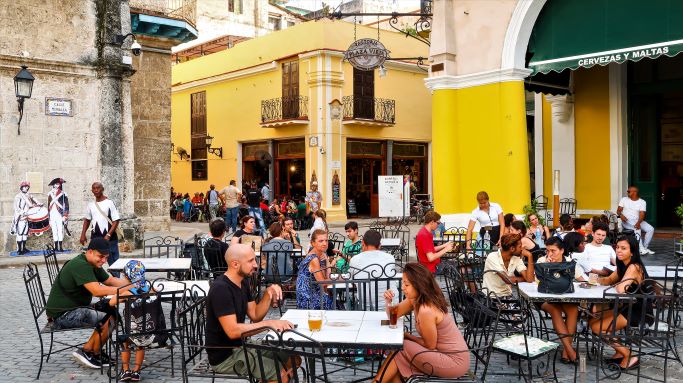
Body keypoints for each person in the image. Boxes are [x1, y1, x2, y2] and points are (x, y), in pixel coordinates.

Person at [205, 244, 297, 382]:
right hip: (225, 355)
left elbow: (255, 315)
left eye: (255, 259)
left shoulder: (243, 282)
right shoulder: (221, 289)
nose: (256, 265)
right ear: (235, 264)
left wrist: (268, 293)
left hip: (242, 345)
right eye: (251, 261)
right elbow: (233, 331)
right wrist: (270, 324)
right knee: (280, 375)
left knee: (293, 359)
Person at [374, 263, 469, 382]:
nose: (402, 287)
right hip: (440, 354)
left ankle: (376, 381)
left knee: (401, 347)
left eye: (407, 284)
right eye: (403, 283)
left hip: (454, 362)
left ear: (419, 285)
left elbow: (430, 345)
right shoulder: (415, 300)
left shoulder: (426, 310)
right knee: (398, 358)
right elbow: (394, 315)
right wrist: (388, 302)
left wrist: (408, 336)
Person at [46, 238, 132, 369]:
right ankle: (88, 351)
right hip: (61, 315)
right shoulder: (81, 265)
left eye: (106, 257)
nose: (104, 261)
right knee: (108, 318)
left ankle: (94, 351)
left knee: (111, 311)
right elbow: (97, 291)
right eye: (101, 257)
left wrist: (135, 285)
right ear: (90, 252)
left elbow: (109, 281)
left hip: (75, 308)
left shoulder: (91, 263)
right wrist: (126, 290)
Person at [590, 235, 648, 370]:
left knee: (597, 327)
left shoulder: (634, 267)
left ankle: (628, 355)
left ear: (632, 252)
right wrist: (593, 279)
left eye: (623, 248)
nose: (619, 251)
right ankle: (619, 352)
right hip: (626, 307)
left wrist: (618, 282)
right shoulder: (623, 264)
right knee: (592, 321)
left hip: (638, 311)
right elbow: (609, 280)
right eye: (617, 248)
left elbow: (621, 288)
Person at [109, 260, 162, 382]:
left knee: (125, 340)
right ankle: (137, 371)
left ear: (127, 277)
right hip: (151, 329)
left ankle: (126, 370)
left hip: (132, 331)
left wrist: (124, 289)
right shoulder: (150, 288)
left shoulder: (128, 291)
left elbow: (111, 302)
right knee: (140, 342)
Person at [535, 237, 584, 364]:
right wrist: (548, 265)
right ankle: (570, 350)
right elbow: (535, 282)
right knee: (555, 310)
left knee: (573, 309)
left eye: (553, 251)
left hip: (564, 296)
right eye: (547, 250)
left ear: (562, 250)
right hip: (545, 297)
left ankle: (565, 353)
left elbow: (581, 279)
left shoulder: (569, 262)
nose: (550, 254)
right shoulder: (542, 261)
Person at [80, 182, 121, 274]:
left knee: (113, 262)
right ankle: (94, 282)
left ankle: (116, 283)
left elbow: (116, 220)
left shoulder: (109, 203)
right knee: (93, 260)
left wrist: (109, 235)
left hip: (110, 238)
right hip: (96, 238)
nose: (96, 190)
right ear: (92, 190)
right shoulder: (90, 205)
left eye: (98, 188)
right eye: (94, 188)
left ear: (102, 189)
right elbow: (87, 220)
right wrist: (83, 235)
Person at [296, 229, 333, 310]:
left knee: (334, 301)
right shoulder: (313, 259)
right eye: (321, 241)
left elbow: (326, 276)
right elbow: (323, 283)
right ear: (312, 243)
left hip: (314, 293)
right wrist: (341, 280)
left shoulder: (320, 255)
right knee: (336, 304)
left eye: (326, 240)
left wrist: (327, 261)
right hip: (307, 298)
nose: (324, 243)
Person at [617, 186, 655, 255]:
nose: (627, 192)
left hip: (637, 220)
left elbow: (642, 214)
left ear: (635, 192)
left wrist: (638, 222)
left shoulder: (642, 202)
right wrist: (621, 215)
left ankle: (645, 248)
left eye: (629, 191)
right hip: (626, 221)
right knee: (637, 228)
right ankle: (640, 249)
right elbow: (618, 211)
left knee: (650, 229)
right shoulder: (624, 199)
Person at [11, 180, 43, 254]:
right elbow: (17, 208)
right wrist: (23, 213)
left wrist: (39, 203)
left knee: (25, 233)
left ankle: (24, 248)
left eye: (27, 187)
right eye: (25, 187)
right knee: (20, 233)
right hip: (21, 217)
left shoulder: (28, 195)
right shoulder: (18, 196)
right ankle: (19, 249)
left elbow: (34, 199)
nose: (26, 188)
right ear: (21, 188)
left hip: (28, 217)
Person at [47, 178, 69, 252]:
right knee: (54, 231)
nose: (57, 185)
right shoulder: (50, 194)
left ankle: (60, 246)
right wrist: (49, 217)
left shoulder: (63, 193)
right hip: (52, 213)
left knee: (60, 230)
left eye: (58, 184)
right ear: (53, 185)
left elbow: (66, 206)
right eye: (56, 184)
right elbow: (48, 205)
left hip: (59, 214)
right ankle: (56, 246)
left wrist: (65, 215)